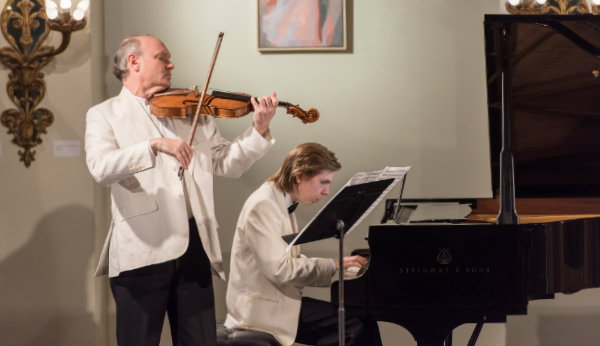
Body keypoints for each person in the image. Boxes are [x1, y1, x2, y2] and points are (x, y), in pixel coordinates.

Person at [84, 34, 278, 346]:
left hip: (195, 247)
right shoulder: (105, 114)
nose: (171, 64)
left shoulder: (192, 112)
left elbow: (228, 163)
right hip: (142, 249)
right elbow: (101, 168)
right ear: (134, 62)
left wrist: (258, 129)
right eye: (162, 57)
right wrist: (153, 145)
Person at [224, 142, 382, 346]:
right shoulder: (263, 205)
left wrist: (337, 263)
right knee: (354, 326)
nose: (326, 192)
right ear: (299, 176)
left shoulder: (280, 200)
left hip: (277, 302)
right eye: (322, 183)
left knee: (363, 321)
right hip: (260, 311)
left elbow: (287, 261)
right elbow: (280, 270)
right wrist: (334, 264)